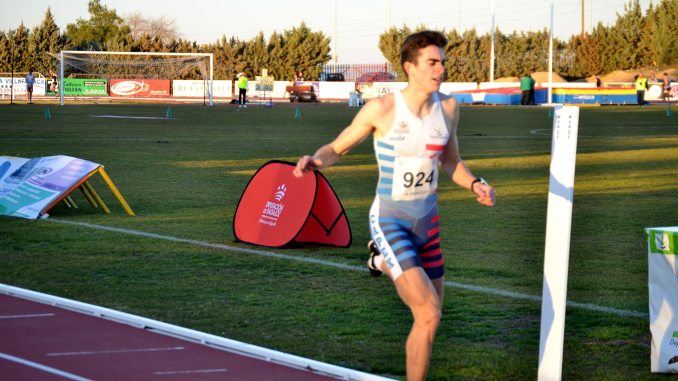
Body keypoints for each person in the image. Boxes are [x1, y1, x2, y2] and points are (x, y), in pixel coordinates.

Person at [293, 30, 496, 381]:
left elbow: (451, 162)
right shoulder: (382, 109)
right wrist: (316, 160)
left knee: (430, 321)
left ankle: (380, 260)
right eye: (432, 62)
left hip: (428, 225)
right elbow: (338, 148)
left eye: (443, 62)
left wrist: (476, 183)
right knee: (428, 312)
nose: (440, 69)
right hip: (391, 220)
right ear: (410, 68)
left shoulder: (448, 108)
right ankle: (383, 254)